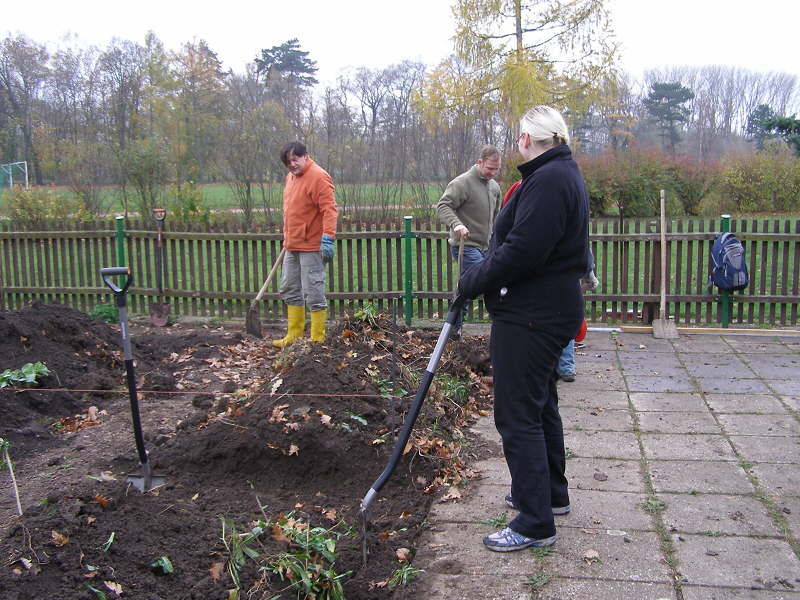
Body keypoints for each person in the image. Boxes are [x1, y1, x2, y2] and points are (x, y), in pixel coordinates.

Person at [458, 106, 589, 552]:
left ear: (527, 139)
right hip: (545, 311)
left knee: (517, 416)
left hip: (532, 315)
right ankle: (550, 495)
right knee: (541, 404)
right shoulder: (559, 172)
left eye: (518, 137)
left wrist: (472, 282)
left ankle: (534, 522)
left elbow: (521, 251)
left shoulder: (549, 180)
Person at [272, 141, 338, 348]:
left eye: (295, 159)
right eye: (288, 161)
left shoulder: (319, 177)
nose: (292, 164)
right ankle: (294, 335)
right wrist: (288, 235)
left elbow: (329, 210)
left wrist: (328, 237)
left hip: (312, 245)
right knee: (289, 288)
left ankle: (317, 338)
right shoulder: (290, 178)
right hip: (292, 244)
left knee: (313, 291)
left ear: (306, 156)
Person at [436, 145, 502, 338]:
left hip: (486, 247)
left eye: (496, 169)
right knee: (490, 281)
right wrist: (457, 225)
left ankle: (452, 330)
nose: (493, 172)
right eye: (490, 168)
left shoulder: (494, 187)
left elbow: (496, 218)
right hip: (466, 246)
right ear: (479, 162)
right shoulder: (462, 183)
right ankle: (502, 326)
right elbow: (443, 206)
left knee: (466, 288)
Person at [557, 248, 598, 381]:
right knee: (566, 323)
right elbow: (583, 247)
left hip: (544, 281)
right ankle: (566, 368)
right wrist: (589, 274)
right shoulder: (574, 227)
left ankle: (552, 366)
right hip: (567, 281)